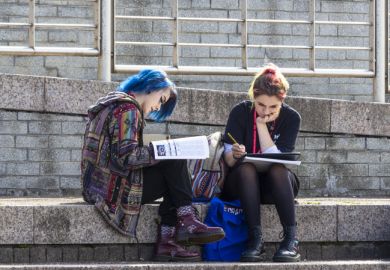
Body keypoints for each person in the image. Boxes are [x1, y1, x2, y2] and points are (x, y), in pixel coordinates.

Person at [81, 69, 225, 262]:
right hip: (112, 192)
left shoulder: (113, 104)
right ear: (150, 88)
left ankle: (174, 233)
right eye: (161, 100)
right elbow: (127, 157)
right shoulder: (128, 110)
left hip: (98, 187)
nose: (158, 107)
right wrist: (160, 151)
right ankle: (182, 225)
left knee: (173, 164)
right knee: (175, 160)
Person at [222, 63, 301, 262]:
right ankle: (255, 239)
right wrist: (236, 153)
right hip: (242, 184)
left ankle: (291, 240)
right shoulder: (240, 112)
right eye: (260, 105)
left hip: (277, 186)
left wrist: (261, 125)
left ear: (282, 102)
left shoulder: (291, 118)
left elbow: (278, 159)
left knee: (277, 169)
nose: (266, 111)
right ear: (253, 98)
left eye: (273, 106)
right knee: (246, 167)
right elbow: (229, 161)